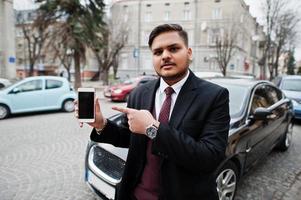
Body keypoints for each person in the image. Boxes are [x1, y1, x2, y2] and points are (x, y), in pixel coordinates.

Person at [76, 24, 230, 200]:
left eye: (173, 48)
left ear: (189, 52)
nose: (165, 55)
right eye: (158, 52)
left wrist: (153, 128)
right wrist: (101, 124)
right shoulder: (140, 93)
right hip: (136, 194)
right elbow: (129, 137)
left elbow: (210, 158)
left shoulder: (215, 96)